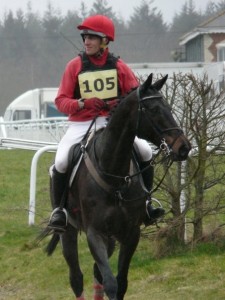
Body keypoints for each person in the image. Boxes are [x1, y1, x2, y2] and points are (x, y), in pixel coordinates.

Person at [48, 14, 165, 232]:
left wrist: (116, 104)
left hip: (112, 123)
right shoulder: (74, 66)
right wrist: (82, 104)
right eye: (85, 37)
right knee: (62, 161)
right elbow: (61, 101)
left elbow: (134, 96)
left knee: (145, 152)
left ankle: (147, 204)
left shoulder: (120, 67)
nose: (86, 42)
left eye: (92, 37)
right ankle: (59, 211)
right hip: (81, 123)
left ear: (105, 41)